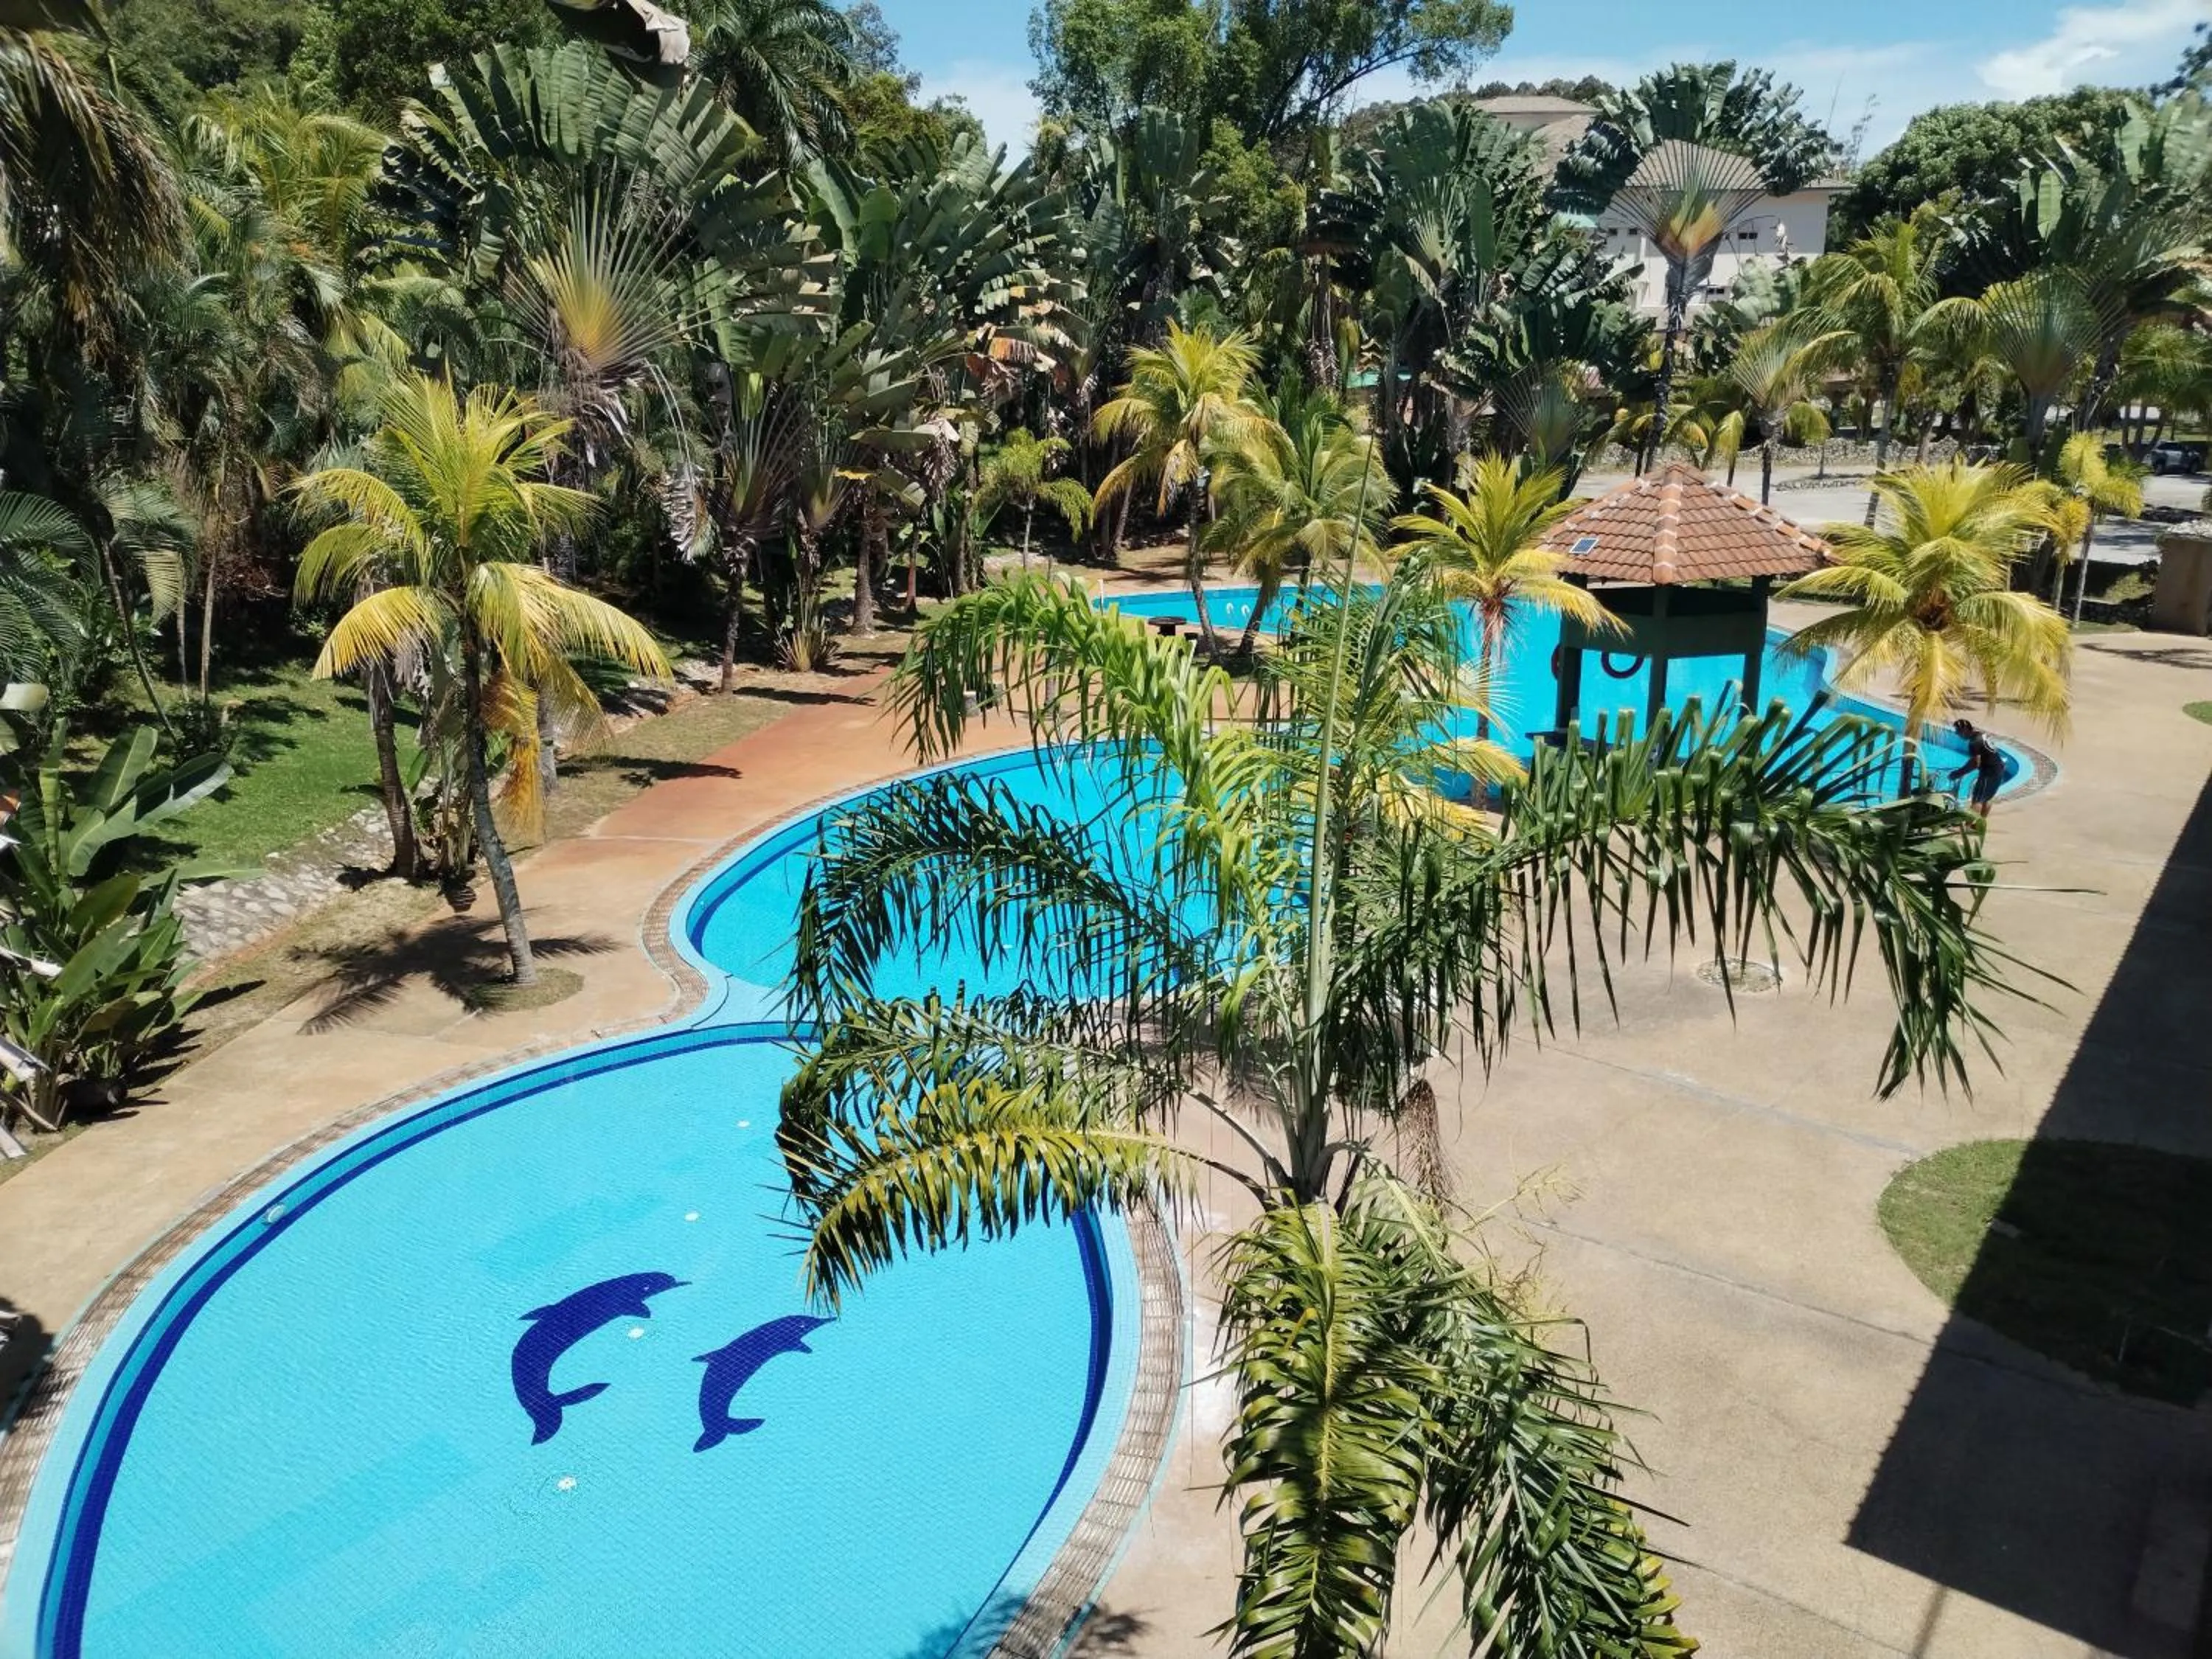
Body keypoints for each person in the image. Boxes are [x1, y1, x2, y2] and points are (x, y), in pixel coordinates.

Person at [1949, 719, 2006, 819]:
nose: (1957, 734)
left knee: (1977, 800)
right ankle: (1981, 823)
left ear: (1965, 730)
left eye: (1958, 731)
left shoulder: (1974, 743)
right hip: (1999, 768)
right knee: (1987, 798)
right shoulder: (1980, 735)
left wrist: (1958, 773)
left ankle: (1968, 827)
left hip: (1989, 772)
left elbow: (1975, 763)